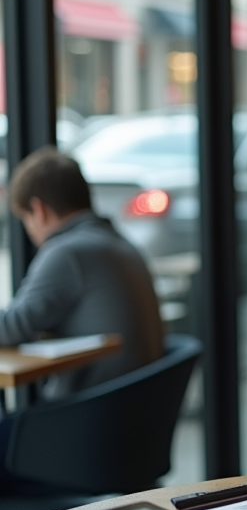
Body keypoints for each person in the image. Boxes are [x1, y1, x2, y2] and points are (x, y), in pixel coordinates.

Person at [0, 146, 164, 401]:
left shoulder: (66, 253)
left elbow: (10, 328)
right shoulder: (120, 243)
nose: (30, 233)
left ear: (39, 210)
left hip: (89, 418)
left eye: (25, 219)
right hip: (135, 417)